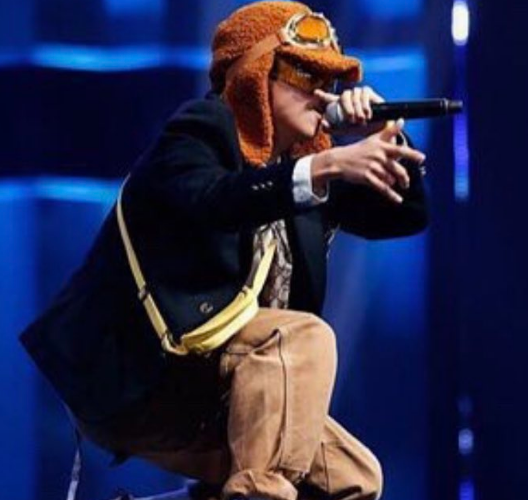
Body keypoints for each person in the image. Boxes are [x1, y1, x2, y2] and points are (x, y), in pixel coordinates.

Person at [20, 2, 428, 500]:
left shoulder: (304, 168)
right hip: (142, 375)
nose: (323, 93)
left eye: (330, 79)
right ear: (255, 73)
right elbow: (212, 201)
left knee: (353, 479)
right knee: (299, 337)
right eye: (305, 74)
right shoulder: (201, 130)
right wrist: (324, 168)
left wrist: (381, 136)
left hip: (226, 386)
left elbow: (404, 217)